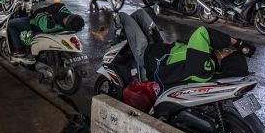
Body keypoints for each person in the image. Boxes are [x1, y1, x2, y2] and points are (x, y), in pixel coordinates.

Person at [97, 9, 254, 85]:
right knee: (139, 13)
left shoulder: (205, 65)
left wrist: (235, 41)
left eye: (228, 52)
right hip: (162, 48)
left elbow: (202, 32)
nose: (225, 50)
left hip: (147, 55)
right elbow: (188, 45)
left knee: (122, 17)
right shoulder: (207, 58)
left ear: (225, 61)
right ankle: (122, 36)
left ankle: (107, 37)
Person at [7, 3, 85, 63]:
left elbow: (38, 17)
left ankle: (19, 50)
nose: (66, 17)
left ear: (67, 23)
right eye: (69, 17)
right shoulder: (70, 19)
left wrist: (41, 11)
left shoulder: (49, 25)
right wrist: (53, 8)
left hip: (33, 23)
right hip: (55, 31)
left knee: (11, 24)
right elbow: (62, 7)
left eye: (67, 19)